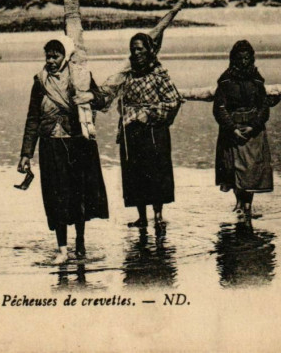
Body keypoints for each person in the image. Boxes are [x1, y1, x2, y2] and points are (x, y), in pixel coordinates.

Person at [18, 36, 109, 264]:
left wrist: (89, 96)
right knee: (56, 197)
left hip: (78, 143)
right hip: (51, 145)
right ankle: (62, 250)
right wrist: (26, 153)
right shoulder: (40, 82)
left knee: (79, 196)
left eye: (55, 56)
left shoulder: (81, 76)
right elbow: (33, 118)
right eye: (47, 56)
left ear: (65, 56)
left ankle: (80, 243)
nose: (50, 61)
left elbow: (101, 100)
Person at [116, 33, 182, 230]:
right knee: (135, 173)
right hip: (132, 130)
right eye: (133, 49)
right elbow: (121, 100)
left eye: (140, 49)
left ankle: (158, 215)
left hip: (154, 131)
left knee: (156, 172)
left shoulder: (159, 74)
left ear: (149, 50)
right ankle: (142, 217)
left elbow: (173, 101)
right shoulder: (127, 75)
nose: (136, 53)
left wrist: (150, 113)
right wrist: (128, 111)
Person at [213, 40, 273, 218]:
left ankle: (247, 205)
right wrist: (232, 128)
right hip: (232, 131)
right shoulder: (225, 81)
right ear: (233, 59)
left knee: (251, 169)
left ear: (251, 59)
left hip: (252, 130)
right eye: (240, 58)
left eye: (247, 58)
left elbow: (264, 107)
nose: (243, 62)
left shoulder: (257, 81)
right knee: (233, 168)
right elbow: (219, 108)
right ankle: (239, 203)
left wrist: (253, 126)